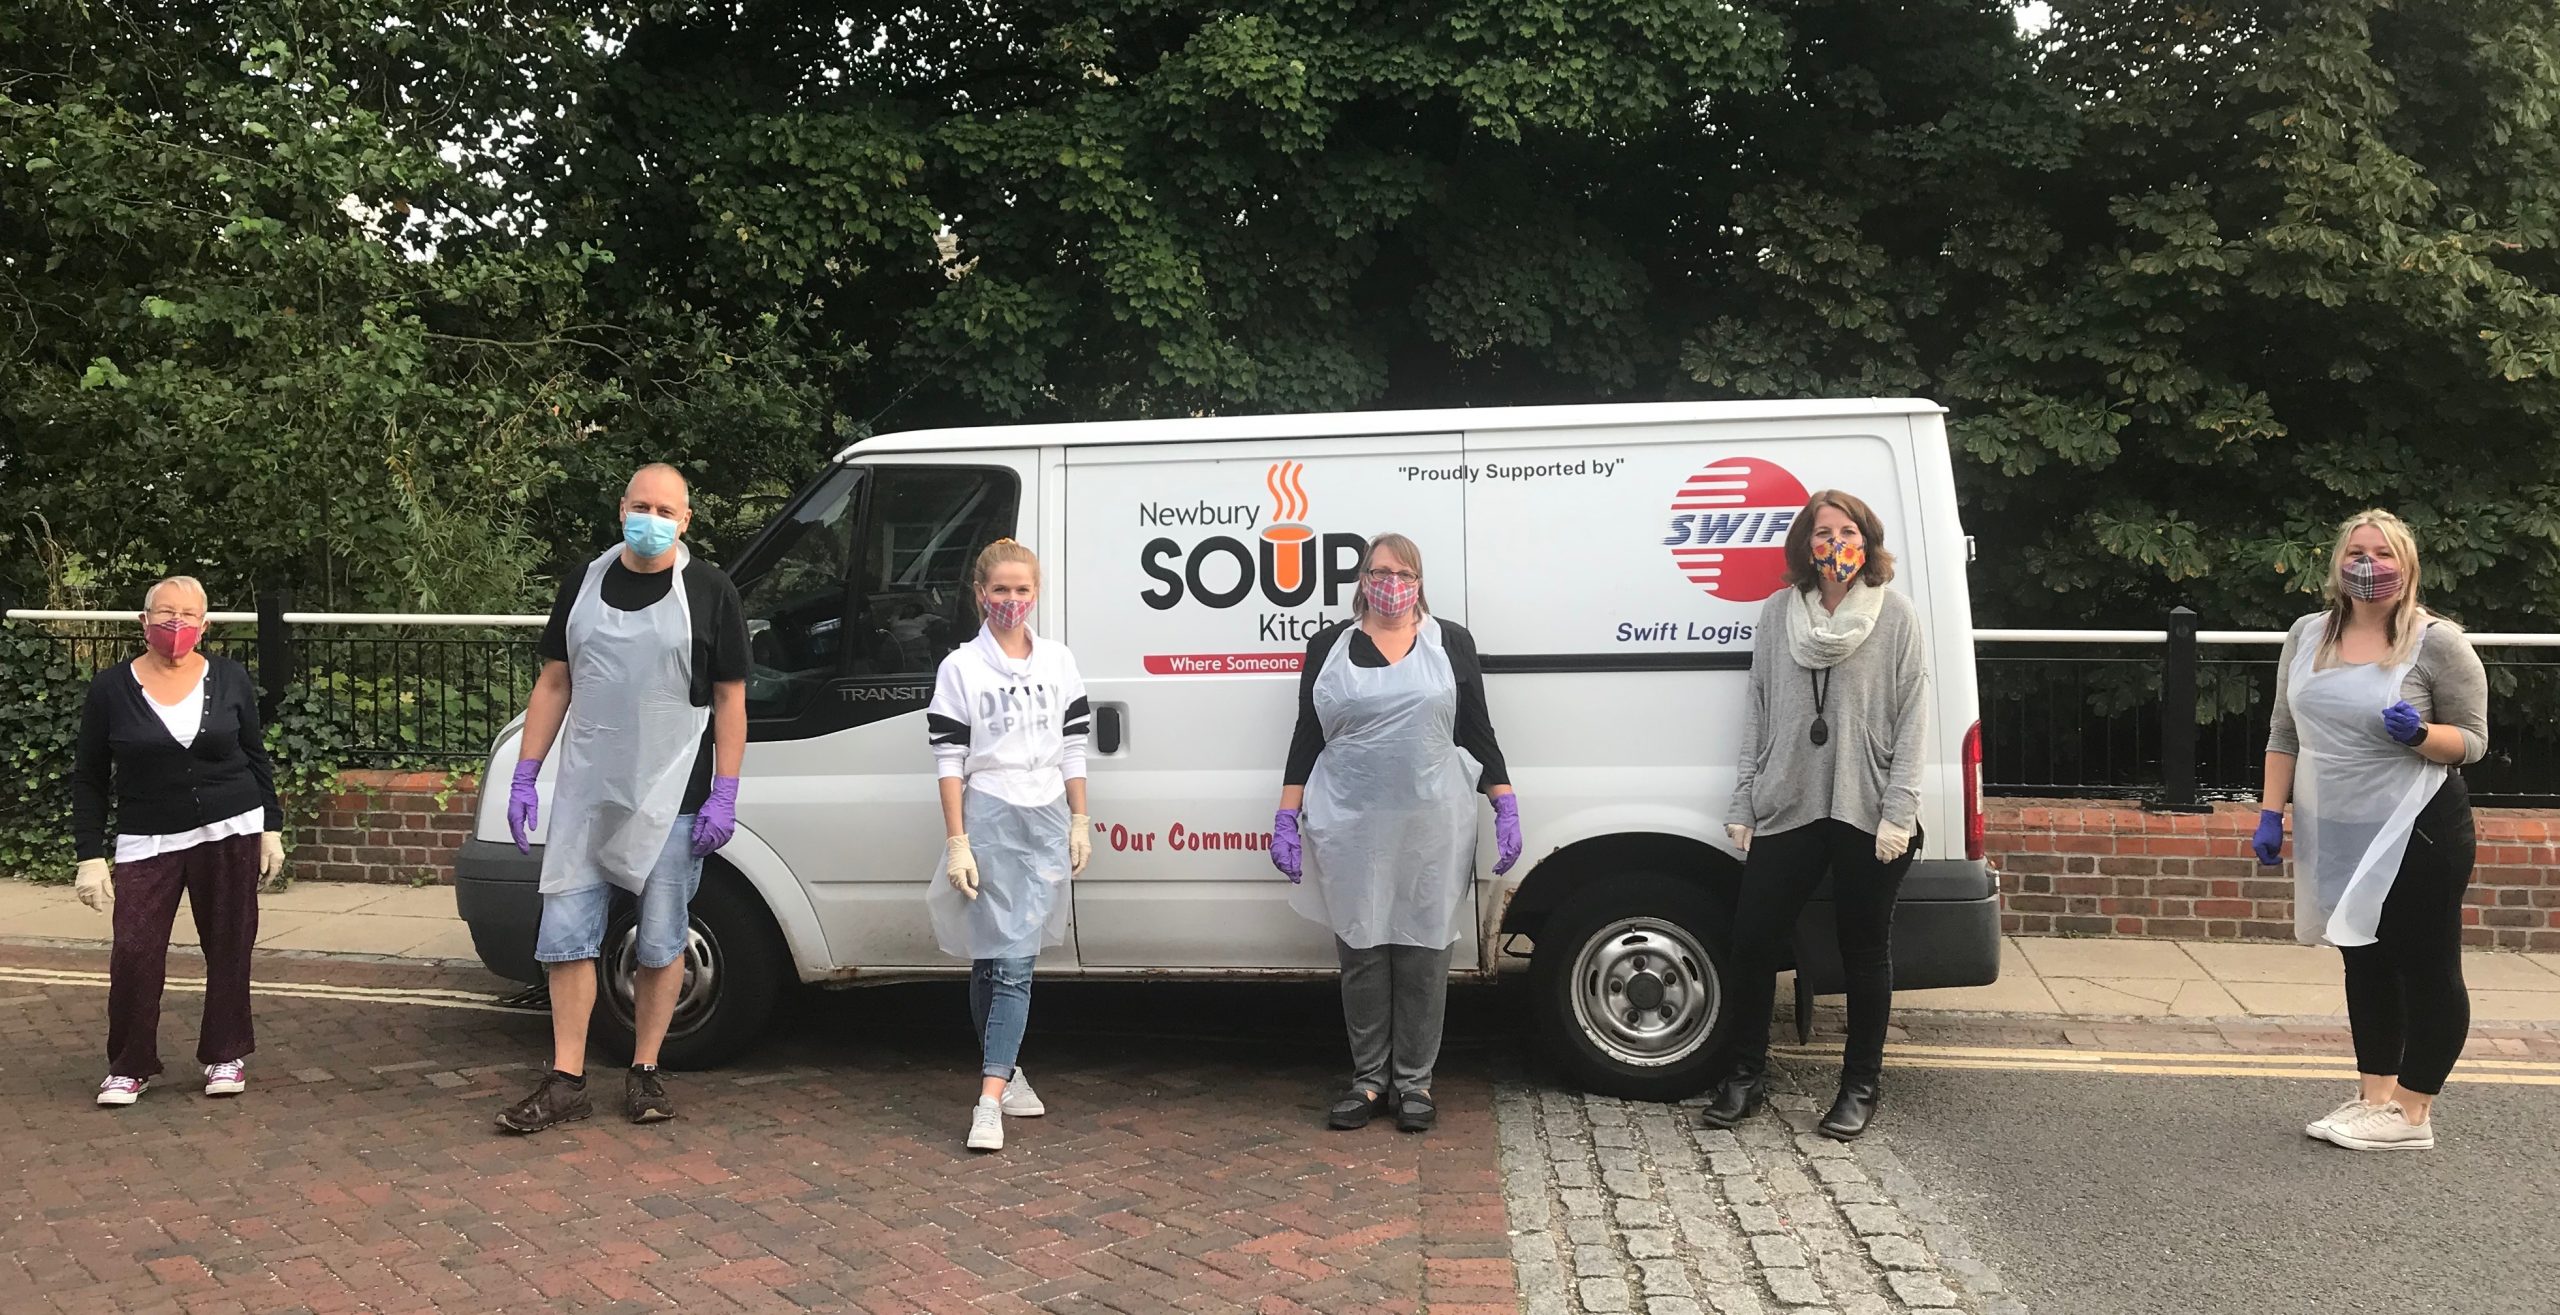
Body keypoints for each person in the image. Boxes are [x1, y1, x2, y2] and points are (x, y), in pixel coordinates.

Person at [496, 463, 750, 1133]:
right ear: (621, 508)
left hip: (673, 793)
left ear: (686, 520)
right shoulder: (583, 583)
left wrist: (725, 789)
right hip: (588, 790)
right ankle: (566, 1078)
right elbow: (556, 681)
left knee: (662, 938)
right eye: (642, 506)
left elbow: (730, 697)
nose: (651, 519)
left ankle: (645, 1068)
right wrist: (526, 773)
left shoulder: (710, 591)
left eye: (666, 510)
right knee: (566, 935)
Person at [1271, 533, 1521, 1135]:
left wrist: (1505, 801)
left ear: (1418, 581)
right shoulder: (1329, 646)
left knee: (1423, 953)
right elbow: (1308, 733)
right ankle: (1367, 1080)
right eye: (1380, 571)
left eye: (1403, 573)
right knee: (1361, 951)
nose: (1391, 582)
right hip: (1351, 822)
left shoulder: (1450, 642)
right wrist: (1285, 814)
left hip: (1432, 822)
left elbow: (1476, 729)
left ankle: (1414, 1083)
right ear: (1362, 579)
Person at [2255, 509, 2487, 1152]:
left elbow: (2472, 741)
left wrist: (2421, 734)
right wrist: (2271, 813)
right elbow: (2284, 731)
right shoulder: (2308, 634)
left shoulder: (2437, 642)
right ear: (2338, 563)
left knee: (2426, 964)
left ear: (2407, 566)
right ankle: (2375, 1097)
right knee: (2365, 958)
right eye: (2357, 552)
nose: (2368, 565)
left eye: (2383, 554)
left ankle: (2413, 1112)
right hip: (2336, 827)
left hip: (2418, 825)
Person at [1704, 490, 1928, 1142]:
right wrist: (1744, 799)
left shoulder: (1895, 615)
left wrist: (1899, 812)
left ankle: (1859, 1086)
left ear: (1867, 540)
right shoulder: (1779, 613)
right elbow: (1757, 707)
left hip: (1867, 808)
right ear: (1805, 543)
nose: (1836, 543)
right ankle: (1745, 1075)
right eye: (1823, 532)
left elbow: (1913, 716)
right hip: (1789, 803)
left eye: (1848, 531)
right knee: (1752, 941)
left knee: (1864, 952)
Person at [69, 576, 286, 1106]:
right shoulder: (111, 688)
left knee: (230, 944)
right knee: (135, 952)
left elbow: (254, 755)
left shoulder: (229, 678)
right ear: (143, 621)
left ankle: (224, 1053)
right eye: (165, 612)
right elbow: (90, 775)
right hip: (148, 835)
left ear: (204, 625)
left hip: (231, 826)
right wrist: (89, 856)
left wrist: (271, 828)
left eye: (188, 615)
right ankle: (129, 1065)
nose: (176, 623)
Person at [927, 539, 1093, 1153]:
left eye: (1022, 589)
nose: (1011, 600)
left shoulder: (1058, 661)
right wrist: (958, 840)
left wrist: (1079, 818)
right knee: (995, 958)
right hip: (991, 814)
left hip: (1044, 814)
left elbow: (1073, 745)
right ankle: (996, 1091)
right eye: (1000, 589)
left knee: (1012, 959)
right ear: (980, 594)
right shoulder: (961, 668)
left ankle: (995, 1087)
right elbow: (950, 758)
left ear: (1036, 593)